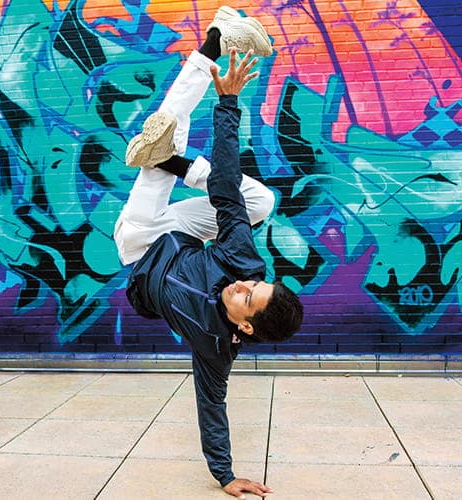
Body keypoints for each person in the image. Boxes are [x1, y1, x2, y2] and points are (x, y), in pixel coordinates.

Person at [115, 8, 304, 499]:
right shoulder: (244, 264)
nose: (240, 285)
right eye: (254, 285)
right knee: (258, 200)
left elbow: (212, 407)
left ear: (244, 327)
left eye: (246, 298)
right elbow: (225, 187)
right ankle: (214, 42)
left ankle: (164, 156)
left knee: (167, 128)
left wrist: (225, 476)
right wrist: (228, 105)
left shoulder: (215, 347)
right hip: (181, 238)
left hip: (140, 245)